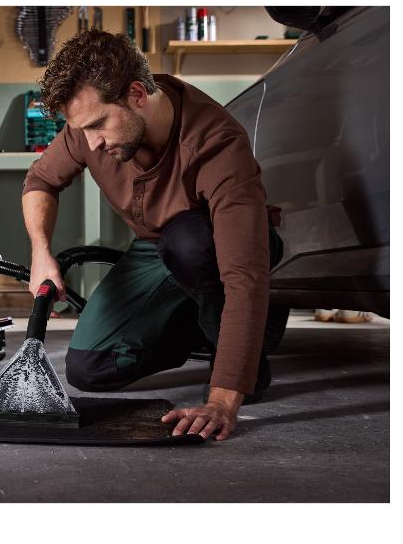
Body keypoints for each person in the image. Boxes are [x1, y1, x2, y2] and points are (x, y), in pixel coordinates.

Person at [22, 29, 284, 441]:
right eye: (81, 130)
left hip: (220, 247)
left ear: (137, 94)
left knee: (189, 241)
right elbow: (40, 180)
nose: (90, 143)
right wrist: (41, 251)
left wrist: (223, 397)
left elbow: (244, 276)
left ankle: (242, 351)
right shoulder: (89, 126)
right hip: (156, 251)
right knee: (89, 369)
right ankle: (212, 330)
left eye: (97, 126)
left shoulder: (218, 145)